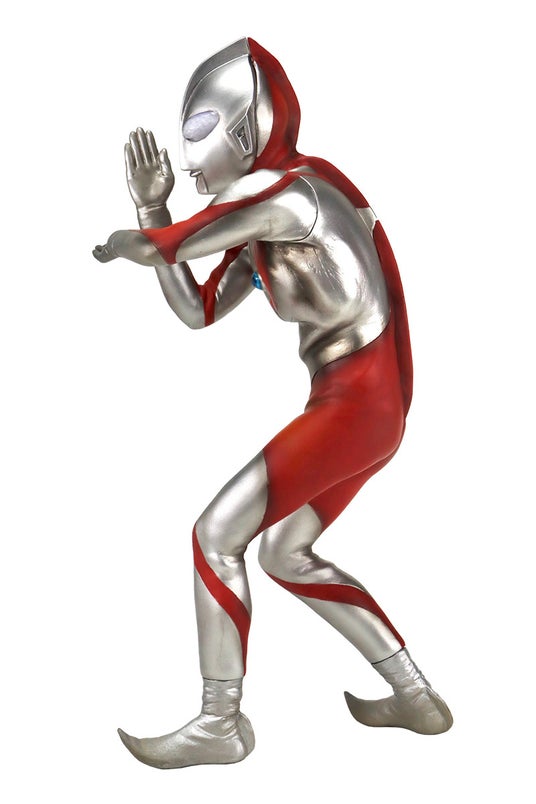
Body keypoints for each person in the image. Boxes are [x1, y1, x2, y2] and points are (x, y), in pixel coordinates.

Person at [93, 38, 452, 770]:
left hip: (360, 405)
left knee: (214, 535)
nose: (188, 153)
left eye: (202, 127)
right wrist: (154, 210)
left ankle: (219, 722)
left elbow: (173, 247)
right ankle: (415, 696)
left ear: (247, 128)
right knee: (285, 553)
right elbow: (195, 311)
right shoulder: (255, 224)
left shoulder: (293, 197)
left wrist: (146, 232)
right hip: (360, 408)